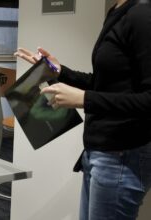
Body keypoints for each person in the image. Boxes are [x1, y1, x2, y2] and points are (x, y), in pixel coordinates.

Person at [14, 0, 151, 219]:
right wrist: (59, 71)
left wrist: (85, 99)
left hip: (121, 157)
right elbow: (104, 83)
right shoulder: (116, 12)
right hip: (99, 153)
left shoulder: (142, 14)